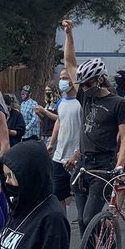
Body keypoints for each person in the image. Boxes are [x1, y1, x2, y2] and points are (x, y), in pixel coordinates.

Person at [60, 21, 125, 236]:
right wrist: (69, 35)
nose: (85, 88)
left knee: (91, 217)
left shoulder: (117, 103)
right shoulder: (84, 95)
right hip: (83, 163)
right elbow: (70, 63)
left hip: (104, 165)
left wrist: (119, 167)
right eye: (83, 84)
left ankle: (108, 247)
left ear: (100, 79)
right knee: (81, 220)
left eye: (89, 83)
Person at [47, 72, 82, 204]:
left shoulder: (81, 102)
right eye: (61, 78)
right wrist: (51, 142)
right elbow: (59, 121)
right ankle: (62, 223)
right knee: (57, 196)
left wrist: (77, 153)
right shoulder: (61, 102)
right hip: (59, 156)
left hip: (76, 158)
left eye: (65, 78)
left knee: (79, 195)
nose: (62, 81)